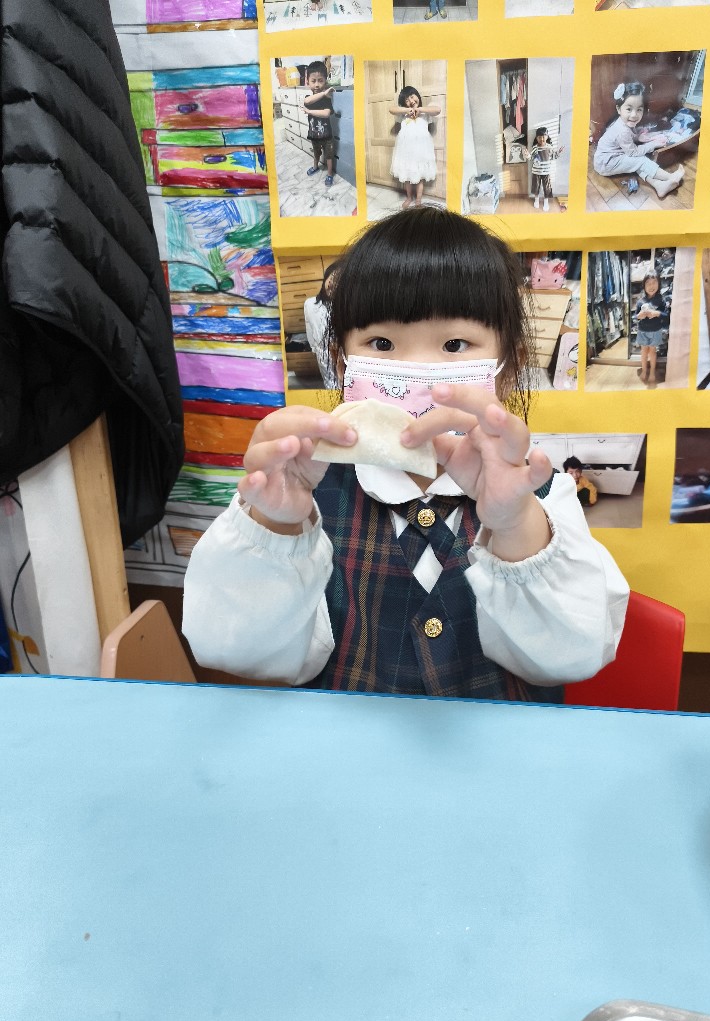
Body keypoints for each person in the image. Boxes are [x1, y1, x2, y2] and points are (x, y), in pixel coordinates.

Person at [183, 207, 629, 700]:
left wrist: (515, 523)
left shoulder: (544, 499)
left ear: (507, 367)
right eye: (382, 342)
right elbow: (232, 650)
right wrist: (275, 527)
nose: (418, 369)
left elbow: (575, 655)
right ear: (343, 364)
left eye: (454, 344)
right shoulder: (306, 497)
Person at [593, 81, 684, 200]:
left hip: (609, 157)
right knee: (640, 160)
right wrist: (652, 144)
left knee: (636, 165)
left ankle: (659, 186)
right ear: (619, 109)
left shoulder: (625, 122)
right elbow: (633, 152)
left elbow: (629, 136)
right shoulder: (622, 130)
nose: (634, 115)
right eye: (629, 109)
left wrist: (637, 137)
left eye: (639, 109)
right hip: (607, 163)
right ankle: (670, 177)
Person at [389, 86, 441, 209]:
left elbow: (438, 110)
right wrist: (407, 110)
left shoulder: (425, 114)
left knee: (419, 177)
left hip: (421, 151)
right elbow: (391, 109)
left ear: (417, 96)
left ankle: (418, 200)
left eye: (412, 97)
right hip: (406, 151)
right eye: (407, 100)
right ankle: (409, 197)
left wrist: (419, 109)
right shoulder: (404, 115)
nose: (411, 101)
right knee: (407, 176)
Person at [303, 260, 343, 389]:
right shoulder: (310, 304)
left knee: (343, 380)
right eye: (333, 278)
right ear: (326, 277)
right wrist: (314, 347)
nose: (335, 285)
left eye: (340, 282)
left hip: (341, 350)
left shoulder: (343, 305)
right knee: (329, 380)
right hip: (322, 350)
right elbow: (309, 325)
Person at [303, 60, 337, 188]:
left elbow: (326, 114)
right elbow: (307, 101)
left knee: (329, 156)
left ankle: (329, 174)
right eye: (313, 81)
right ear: (307, 82)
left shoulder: (326, 99)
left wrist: (310, 112)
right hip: (314, 134)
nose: (317, 85)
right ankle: (315, 167)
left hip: (326, 135)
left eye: (320, 81)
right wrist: (323, 93)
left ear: (325, 81)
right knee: (316, 153)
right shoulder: (309, 98)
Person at [632, 270, 667, 387]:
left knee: (652, 352)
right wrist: (639, 316)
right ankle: (644, 370)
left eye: (654, 282)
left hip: (656, 331)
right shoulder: (640, 301)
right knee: (643, 352)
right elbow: (635, 317)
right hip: (642, 331)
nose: (651, 286)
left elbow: (666, 315)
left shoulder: (661, 300)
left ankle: (652, 372)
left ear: (659, 284)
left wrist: (657, 313)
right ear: (644, 286)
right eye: (648, 283)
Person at [530, 127, 563, 212]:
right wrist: (527, 155)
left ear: (547, 137)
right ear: (536, 138)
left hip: (546, 172)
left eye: (543, 136)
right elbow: (531, 158)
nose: (542, 139)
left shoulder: (549, 147)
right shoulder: (535, 148)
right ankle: (536, 200)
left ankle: (546, 202)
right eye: (539, 137)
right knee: (536, 187)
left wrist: (559, 152)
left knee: (547, 188)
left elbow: (553, 156)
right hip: (536, 172)